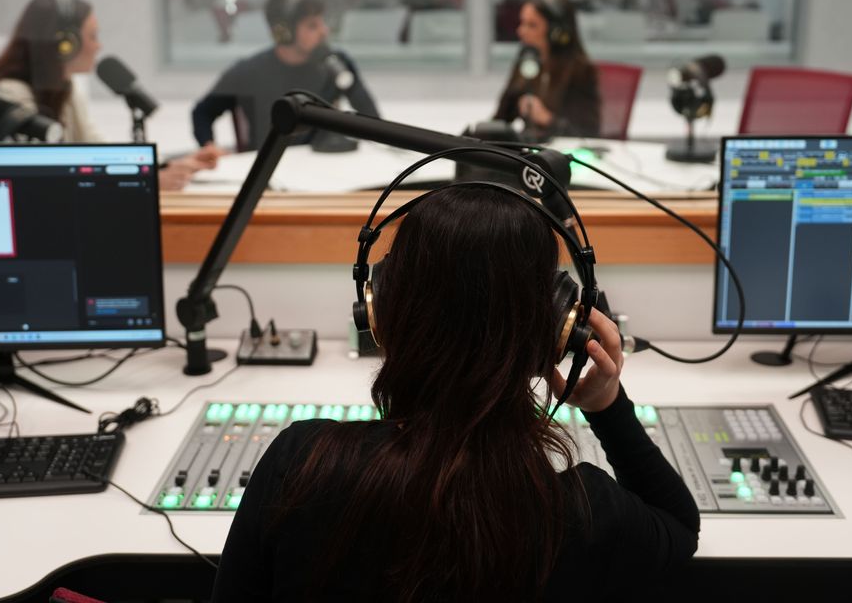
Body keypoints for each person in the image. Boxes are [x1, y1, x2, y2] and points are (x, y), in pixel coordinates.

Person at [211, 184, 700, 601]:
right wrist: (607, 407)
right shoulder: (587, 510)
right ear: (556, 330)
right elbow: (679, 527)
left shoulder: (300, 462)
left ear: (380, 314)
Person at [0, 0, 217, 190]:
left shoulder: (65, 87)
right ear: (65, 45)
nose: (99, 46)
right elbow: (43, 182)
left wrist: (170, 163)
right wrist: (146, 184)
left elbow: (97, 150)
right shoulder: (10, 94)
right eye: (93, 36)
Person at [190, 0, 380, 152]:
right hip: (270, 175)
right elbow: (202, 113)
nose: (324, 31)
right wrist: (209, 146)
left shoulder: (335, 64)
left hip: (325, 170)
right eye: (312, 26)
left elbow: (373, 122)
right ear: (283, 33)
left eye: (322, 22)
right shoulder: (249, 72)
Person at [493, 0, 601, 140]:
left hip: (563, 157)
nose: (521, 31)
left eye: (532, 25)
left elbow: (588, 133)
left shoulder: (580, 71)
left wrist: (547, 119)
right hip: (530, 154)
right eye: (522, 23)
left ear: (557, 32)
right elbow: (500, 120)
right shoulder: (526, 62)